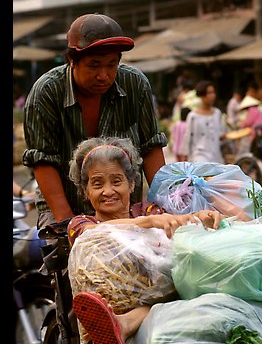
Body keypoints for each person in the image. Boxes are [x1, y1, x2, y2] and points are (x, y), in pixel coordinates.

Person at [65, 136, 222, 344]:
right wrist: (148, 224)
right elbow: (95, 235)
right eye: (97, 184)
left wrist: (198, 218)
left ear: (132, 183)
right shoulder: (81, 224)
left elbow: (176, 226)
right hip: (114, 304)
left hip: (162, 301)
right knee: (94, 253)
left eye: (117, 181)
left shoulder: (149, 210)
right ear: (85, 191)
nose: (108, 191)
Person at [22, 13, 168, 230]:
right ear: (72, 60)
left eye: (111, 64)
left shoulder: (135, 84)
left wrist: (165, 207)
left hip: (124, 208)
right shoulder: (47, 91)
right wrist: (70, 225)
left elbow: (151, 147)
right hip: (63, 206)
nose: (104, 75)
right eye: (94, 65)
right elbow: (43, 161)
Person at [180, 80, 226, 163]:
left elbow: (221, 134)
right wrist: (184, 158)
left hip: (215, 156)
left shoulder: (217, 113)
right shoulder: (193, 116)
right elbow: (187, 138)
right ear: (201, 95)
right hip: (199, 157)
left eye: (213, 92)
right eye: (209, 93)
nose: (212, 96)